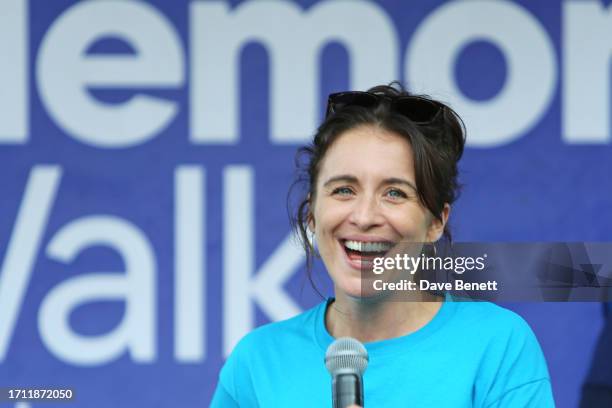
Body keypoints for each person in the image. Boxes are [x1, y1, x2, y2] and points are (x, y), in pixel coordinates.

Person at [210, 83, 555, 407]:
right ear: (312, 212)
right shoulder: (257, 362)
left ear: (436, 221)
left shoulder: (498, 345)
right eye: (344, 189)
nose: (364, 216)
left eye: (394, 193)